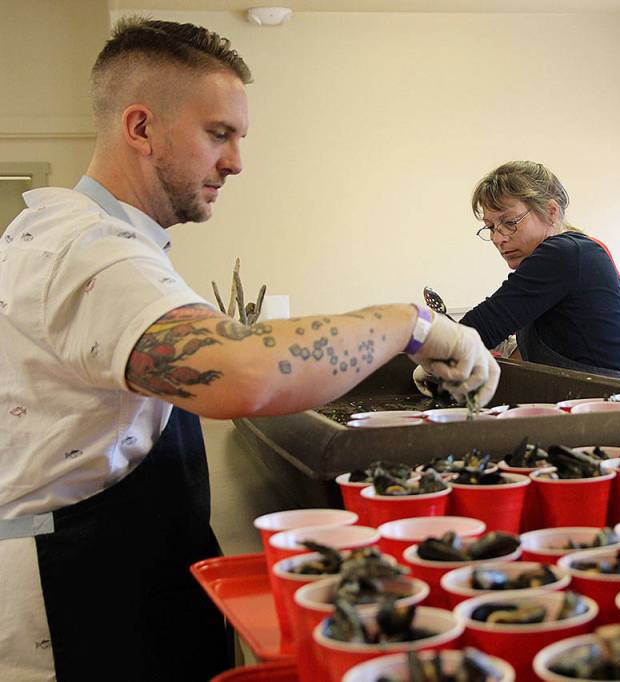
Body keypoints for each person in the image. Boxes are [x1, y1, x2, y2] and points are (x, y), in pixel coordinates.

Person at [0, 18, 497, 682]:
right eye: (218, 135)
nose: (235, 161)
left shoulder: (90, 238)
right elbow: (239, 371)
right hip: (77, 604)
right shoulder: (89, 251)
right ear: (142, 128)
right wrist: (411, 324)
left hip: (116, 568)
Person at [454, 161, 620, 381]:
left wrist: (431, 346)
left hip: (605, 402)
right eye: (491, 227)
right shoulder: (570, 254)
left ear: (551, 211)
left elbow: (481, 327)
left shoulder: (564, 253)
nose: (498, 238)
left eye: (509, 222)